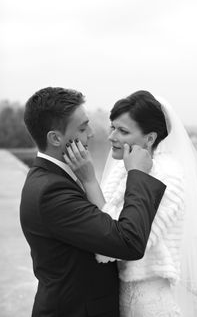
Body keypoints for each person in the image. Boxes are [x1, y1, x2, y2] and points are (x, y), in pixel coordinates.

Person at [65, 90, 197, 317]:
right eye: (112, 127)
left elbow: (116, 245)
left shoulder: (166, 177)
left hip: (147, 305)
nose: (111, 136)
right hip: (120, 296)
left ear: (150, 138)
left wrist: (89, 180)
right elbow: (105, 222)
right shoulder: (124, 169)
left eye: (122, 131)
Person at [20, 87, 167, 317]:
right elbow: (128, 242)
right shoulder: (52, 191)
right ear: (56, 138)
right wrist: (139, 175)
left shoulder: (52, 176)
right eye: (82, 127)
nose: (92, 133)